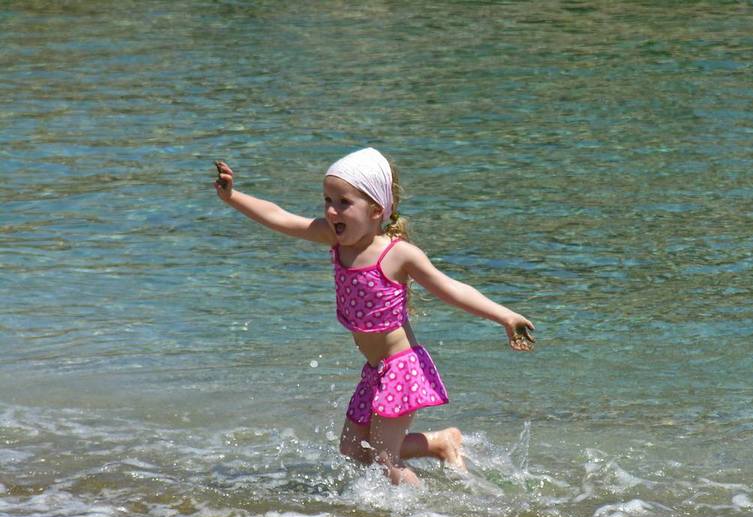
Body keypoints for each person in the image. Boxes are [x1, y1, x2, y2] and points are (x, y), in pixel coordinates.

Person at [213, 147, 535, 485]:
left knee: (385, 460)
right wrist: (232, 197)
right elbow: (279, 217)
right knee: (353, 450)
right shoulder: (335, 240)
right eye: (327, 200)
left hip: (401, 368)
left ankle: (423, 513)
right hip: (375, 370)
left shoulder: (398, 255)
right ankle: (439, 443)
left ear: (376, 210)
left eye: (343, 202)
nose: (331, 210)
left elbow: (451, 289)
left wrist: (505, 317)